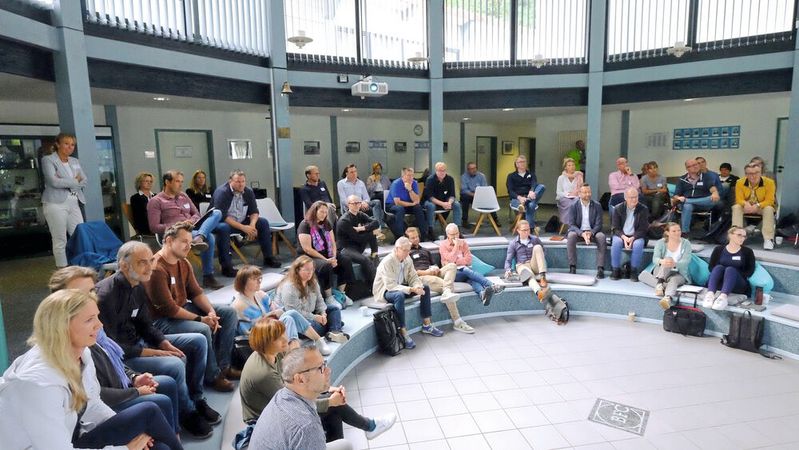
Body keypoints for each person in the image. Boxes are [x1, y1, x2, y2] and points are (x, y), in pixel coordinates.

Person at [0, 289, 182, 450]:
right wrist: (124, 448)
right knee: (152, 428)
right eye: (89, 320)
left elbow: (92, 403)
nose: (99, 325)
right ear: (61, 328)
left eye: (97, 317)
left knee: (155, 437)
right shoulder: (38, 385)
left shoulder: (82, 353)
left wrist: (130, 431)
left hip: (73, 436)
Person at [95, 240, 216, 438]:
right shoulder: (106, 296)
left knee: (198, 341)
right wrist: (153, 352)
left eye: (151, 260)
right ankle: (187, 413)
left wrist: (164, 343)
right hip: (124, 357)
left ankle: (197, 399)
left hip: (141, 344)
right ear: (124, 266)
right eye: (142, 262)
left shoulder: (139, 286)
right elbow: (111, 347)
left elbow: (146, 325)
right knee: (176, 364)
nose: (150, 266)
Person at [48, 266, 180, 435]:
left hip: (117, 386)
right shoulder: (71, 339)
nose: (89, 298)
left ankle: (172, 433)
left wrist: (134, 377)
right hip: (94, 411)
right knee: (157, 402)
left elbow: (112, 358)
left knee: (167, 383)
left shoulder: (94, 324)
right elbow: (91, 394)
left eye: (91, 291)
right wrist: (135, 392)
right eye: (78, 293)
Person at [240, 320, 395, 443]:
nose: (285, 339)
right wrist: (329, 401)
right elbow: (292, 401)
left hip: (280, 401)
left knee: (332, 406)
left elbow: (294, 385)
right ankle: (369, 426)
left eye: (283, 334)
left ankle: (366, 428)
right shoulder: (264, 374)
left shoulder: (273, 353)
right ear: (266, 343)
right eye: (278, 338)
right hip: (263, 418)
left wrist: (327, 390)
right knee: (332, 407)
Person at [143, 221, 240, 393]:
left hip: (183, 308)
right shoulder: (157, 268)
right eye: (184, 241)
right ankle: (213, 376)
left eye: (190, 242)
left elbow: (196, 293)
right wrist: (201, 319)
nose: (188, 246)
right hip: (161, 320)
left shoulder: (183, 262)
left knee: (228, 312)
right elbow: (169, 309)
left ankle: (224, 367)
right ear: (168, 241)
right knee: (202, 328)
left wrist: (211, 312)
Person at [249, 347, 357, 450]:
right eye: (321, 368)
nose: (328, 370)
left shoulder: (282, 395)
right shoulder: (306, 427)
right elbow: (304, 429)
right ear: (300, 379)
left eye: (324, 364)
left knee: (344, 443)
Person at [147, 170, 224, 289]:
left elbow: (196, 214)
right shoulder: (156, 201)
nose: (180, 184)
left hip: (193, 227)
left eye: (181, 181)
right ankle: (208, 276)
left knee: (217, 212)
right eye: (177, 181)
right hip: (175, 232)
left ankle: (199, 237)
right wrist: (178, 224)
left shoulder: (183, 196)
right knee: (210, 237)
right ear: (167, 182)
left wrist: (191, 221)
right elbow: (154, 227)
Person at [231, 265, 331, 355]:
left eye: (259, 278)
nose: (259, 281)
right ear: (243, 283)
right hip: (260, 338)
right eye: (254, 279)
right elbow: (249, 334)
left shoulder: (260, 294)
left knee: (291, 314)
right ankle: (294, 354)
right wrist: (267, 318)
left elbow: (279, 311)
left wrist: (275, 314)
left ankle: (317, 341)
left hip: (272, 328)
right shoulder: (239, 305)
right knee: (289, 318)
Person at [373, 237, 445, 349]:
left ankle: (427, 324)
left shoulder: (407, 259)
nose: (408, 253)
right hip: (385, 291)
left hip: (401, 286)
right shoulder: (387, 262)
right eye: (405, 250)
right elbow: (391, 286)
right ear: (397, 249)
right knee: (399, 295)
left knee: (424, 288)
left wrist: (417, 286)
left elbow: (413, 277)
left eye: (409, 250)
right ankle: (403, 331)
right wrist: (411, 290)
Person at [211, 169, 282, 276]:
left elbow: (254, 211)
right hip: (223, 222)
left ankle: (269, 257)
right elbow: (222, 216)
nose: (241, 184)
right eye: (238, 181)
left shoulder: (248, 192)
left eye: (243, 181)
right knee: (223, 228)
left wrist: (252, 226)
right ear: (230, 181)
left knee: (263, 222)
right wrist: (244, 228)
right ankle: (226, 267)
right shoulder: (222, 192)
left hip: (241, 220)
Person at [405, 227, 474, 333]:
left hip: (433, 273)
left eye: (417, 236)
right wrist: (428, 272)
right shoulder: (407, 254)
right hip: (421, 277)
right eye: (412, 238)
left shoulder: (425, 250)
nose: (416, 239)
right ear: (407, 240)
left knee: (452, 266)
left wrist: (435, 268)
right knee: (447, 286)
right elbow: (411, 274)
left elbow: (434, 264)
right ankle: (458, 322)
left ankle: (446, 291)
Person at [273, 255, 349, 345]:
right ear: (297, 270)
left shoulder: (312, 282)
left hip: (311, 314)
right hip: (297, 322)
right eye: (306, 270)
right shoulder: (289, 287)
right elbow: (295, 312)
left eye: (312, 269)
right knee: (317, 324)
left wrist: (323, 313)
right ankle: (334, 326)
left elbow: (320, 300)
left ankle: (335, 332)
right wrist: (316, 318)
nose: (310, 272)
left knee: (334, 309)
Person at [41, 132, 86, 268]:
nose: (70, 147)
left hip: (74, 201)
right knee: (60, 239)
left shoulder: (74, 161)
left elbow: (84, 180)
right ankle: (63, 270)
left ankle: (79, 266)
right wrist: (74, 181)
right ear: (58, 144)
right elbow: (53, 182)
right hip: (55, 203)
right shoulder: (48, 160)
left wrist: (65, 181)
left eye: (72, 145)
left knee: (79, 235)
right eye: (66, 143)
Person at [298, 200, 355, 304]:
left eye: (325, 212)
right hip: (309, 256)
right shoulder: (305, 225)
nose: (324, 214)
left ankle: (341, 294)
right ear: (314, 211)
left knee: (345, 260)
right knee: (325, 265)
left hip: (327, 253)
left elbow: (333, 242)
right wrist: (327, 260)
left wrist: (333, 257)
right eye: (321, 212)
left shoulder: (326, 223)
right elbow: (307, 249)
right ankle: (329, 297)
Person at [440, 223, 505, 305]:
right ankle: (492, 285)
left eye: (457, 233)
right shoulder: (443, 245)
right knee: (466, 270)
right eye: (453, 234)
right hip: (452, 274)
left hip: (465, 272)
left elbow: (469, 260)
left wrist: (457, 261)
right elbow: (451, 260)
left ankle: (482, 294)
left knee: (472, 279)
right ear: (447, 235)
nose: (456, 236)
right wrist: (456, 246)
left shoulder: (463, 243)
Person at [640, 223, 693, 310]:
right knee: (667, 260)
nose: (677, 233)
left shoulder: (686, 243)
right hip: (662, 270)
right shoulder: (660, 242)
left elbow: (686, 261)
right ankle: (660, 282)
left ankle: (667, 297)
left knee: (674, 280)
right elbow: (655, 259)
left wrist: (675, 263)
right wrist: (662, 261)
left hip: (679, 272)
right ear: (667, 233)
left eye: (679, 230)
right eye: (674, 231)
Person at [703, 226, 756, 310]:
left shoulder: (747, 252)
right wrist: (724, 275)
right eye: (739, 235)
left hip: (737, 283)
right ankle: (710, 295)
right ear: (730, 235)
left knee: (730, 269)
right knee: (718, 267)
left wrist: (731, 274)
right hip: (720, 282)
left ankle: (723, 298)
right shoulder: (719, 249)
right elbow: (711, 267)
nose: (742, 238)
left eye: (744, 236)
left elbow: (750, 271)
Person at [336, 194, 381, 288]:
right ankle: (374, 286)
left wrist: (362, 228)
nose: (357, 205)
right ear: (348, 205)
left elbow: (376, 222)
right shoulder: (344, 220)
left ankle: (374, 254)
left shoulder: (360, 214)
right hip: (346, 248)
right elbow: (358, 238)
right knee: (365, 260)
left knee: (370, 230)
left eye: (359, 203)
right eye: (354, 203)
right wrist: (372, 232)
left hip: (357, 246)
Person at [733, 162, 777, 250]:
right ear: (746, 174)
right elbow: (739, 199)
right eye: (749, 173)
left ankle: (768, 239)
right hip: (747, 206)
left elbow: (770, 200)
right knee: (736, 207)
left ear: (760, 173)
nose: (753, 176)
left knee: (769, 209)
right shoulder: (739, 182)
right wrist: (745, 204)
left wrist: (757, 205)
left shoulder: (770, 182)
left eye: (756, 173)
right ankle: (737, 237)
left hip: (761, 207)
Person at [566, 184, 606, 278]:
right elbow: (571, 224)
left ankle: (600, 268)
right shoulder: (573, 205)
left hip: (593, 232)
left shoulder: (597, 205)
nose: (587, 194)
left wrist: (591, 232)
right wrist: (582, 233)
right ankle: (572, 266)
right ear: (579, 194)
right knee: (571, 236)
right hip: (578, 232)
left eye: (589, 192)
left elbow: (599, 224)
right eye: (585, 192)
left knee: (601, 237)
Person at [672, 158, 722, 234]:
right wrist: (677, 198)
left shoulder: (706, 177)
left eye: (696, 164)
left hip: (703, 203)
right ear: (687, 168)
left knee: (712, 199)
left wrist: (715, 193)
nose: (695, 166)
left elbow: (712, 188)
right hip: (688, 204)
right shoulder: (682, 179)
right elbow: (676, 195)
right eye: (692, 165)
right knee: (687, 206)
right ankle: (685, 232)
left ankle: (688, 201)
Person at [504, 220, 549, 301]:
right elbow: (508, 260)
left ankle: (542, 277)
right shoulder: (513, 243)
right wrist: (508, 270)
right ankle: (539, 292)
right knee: (527, 275)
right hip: (522, 265)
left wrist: (541, 259)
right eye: (524, 230)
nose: (526, 232)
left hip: (533, 264)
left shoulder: (535, 239)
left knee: (538, 247)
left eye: (528, 229)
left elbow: (544, 250)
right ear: (518, 230)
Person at [610, 188, 649, 282]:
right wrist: (624, 237)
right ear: (625, 198)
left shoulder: (643, 209)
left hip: (636, 235)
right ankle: (616, 270)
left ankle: (634, 270)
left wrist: (632, 238)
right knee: (616, 243)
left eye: (636, 197)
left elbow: (643, 229)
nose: (634, 200)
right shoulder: (618, 208)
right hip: (621, 235)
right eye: (631, 197)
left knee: (638, 244)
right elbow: (615, 228)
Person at [386, 167, 429, 241]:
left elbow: (417, 200)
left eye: (412, 175)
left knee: (418, 207)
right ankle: (400, 236)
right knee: (400, 209)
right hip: (392, 205)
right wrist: (412, 204)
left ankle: (423, 234)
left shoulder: (414, 183)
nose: (411, 178)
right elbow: (397, 202)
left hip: (407, 205)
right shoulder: (396, 183)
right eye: (409, 175)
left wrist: (410, 189)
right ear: (403, 176)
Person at [423, 162, 463, 240]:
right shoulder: (430, 180)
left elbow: (452, 195)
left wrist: (449, 203)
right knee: (431, 206)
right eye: (440, 170)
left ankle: (457, 229)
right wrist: (443, 204)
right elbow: (430, 197)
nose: (442, 172)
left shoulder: (450, 179)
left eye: (444, 170)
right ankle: (430, 230)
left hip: (445, 201)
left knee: (457, 204)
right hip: (432, 201)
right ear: (436, 171)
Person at [506, 154, 546, 227]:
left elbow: (534, 184)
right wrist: (520, 198)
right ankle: (530, 229)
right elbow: (510, 191)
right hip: (517, 199)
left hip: (529, 195)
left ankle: (528, 200)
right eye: (520, 162)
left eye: (524, 161)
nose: (522, 163)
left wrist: (531, 191)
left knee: (541, 186)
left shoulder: (531, 174)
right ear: (516, 164)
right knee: (531, 205)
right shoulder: (511, 176)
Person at [460, 161, 499, 226]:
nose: (474, 170)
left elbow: (484, 188)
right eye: (471, 169)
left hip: (480, 195)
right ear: (468, 170)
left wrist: (479, 195)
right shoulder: (464, 177)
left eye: (475, 168)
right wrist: (474, 195)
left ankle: (495, 219)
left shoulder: (481, 176)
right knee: (465, 198)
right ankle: (464, 220)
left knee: (490, 199)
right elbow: (464, 190)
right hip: (469, 195)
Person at [555, 157, 584, 226]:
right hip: (564, 198)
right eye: (569, 165)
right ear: (565, 167)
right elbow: (558, 192)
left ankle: (579, 224)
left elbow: (581, 189)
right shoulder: (561, 178)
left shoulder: (579, 176)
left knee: (579, 203)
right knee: (572, 205)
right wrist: (568, 194)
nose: (572, 167)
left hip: (576, 197)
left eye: (573, 165)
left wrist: (576, 194)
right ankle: (571, 225)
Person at [129, 171, 156, 235]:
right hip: (146, 227)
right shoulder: (135, 198)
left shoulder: (155, 195)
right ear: (139, 183)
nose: (149, 183)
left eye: (150, 181)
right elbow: (142, 215)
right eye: (146, 181)